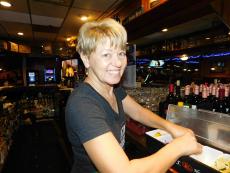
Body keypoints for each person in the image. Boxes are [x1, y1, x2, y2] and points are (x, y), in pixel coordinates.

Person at [65, 18, 202, 173]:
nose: (117, 63)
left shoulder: (112, 87)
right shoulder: (83, 105)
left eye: (121, 53)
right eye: (106, 55)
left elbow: (138, 112)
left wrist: (171, 127)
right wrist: (179, 147)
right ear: (86, 59)